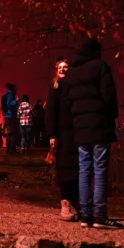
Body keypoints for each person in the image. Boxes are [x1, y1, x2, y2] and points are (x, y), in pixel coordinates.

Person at [65, 37, 119, 229]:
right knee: (100, 170)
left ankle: (85, 215)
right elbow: (109, 96)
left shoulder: (71, 73)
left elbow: (69, 101)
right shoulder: (100, 67)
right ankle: (100, 215)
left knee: (84, 170)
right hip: (99, 126)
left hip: (80, 127)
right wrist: (111, 116)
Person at [45, 57, 79, 221]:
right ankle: (65, 204)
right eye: (60, 67)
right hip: (62, 135)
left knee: (78, 169)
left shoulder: (75, 87)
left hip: (76, 134)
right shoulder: (55, 87)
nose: (62, 69)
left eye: (66, 67)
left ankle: (77, 203)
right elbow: (51, 112)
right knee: (65, 169)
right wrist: (52, 134)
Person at [0, 83, 20, 153]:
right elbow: (9, 104)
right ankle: (12, 148)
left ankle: (9, 149)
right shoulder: (10, 94)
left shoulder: (8, 94)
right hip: (11, 115)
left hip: (9, 115)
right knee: (13, 132)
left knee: (9, 132)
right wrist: (16, 101)